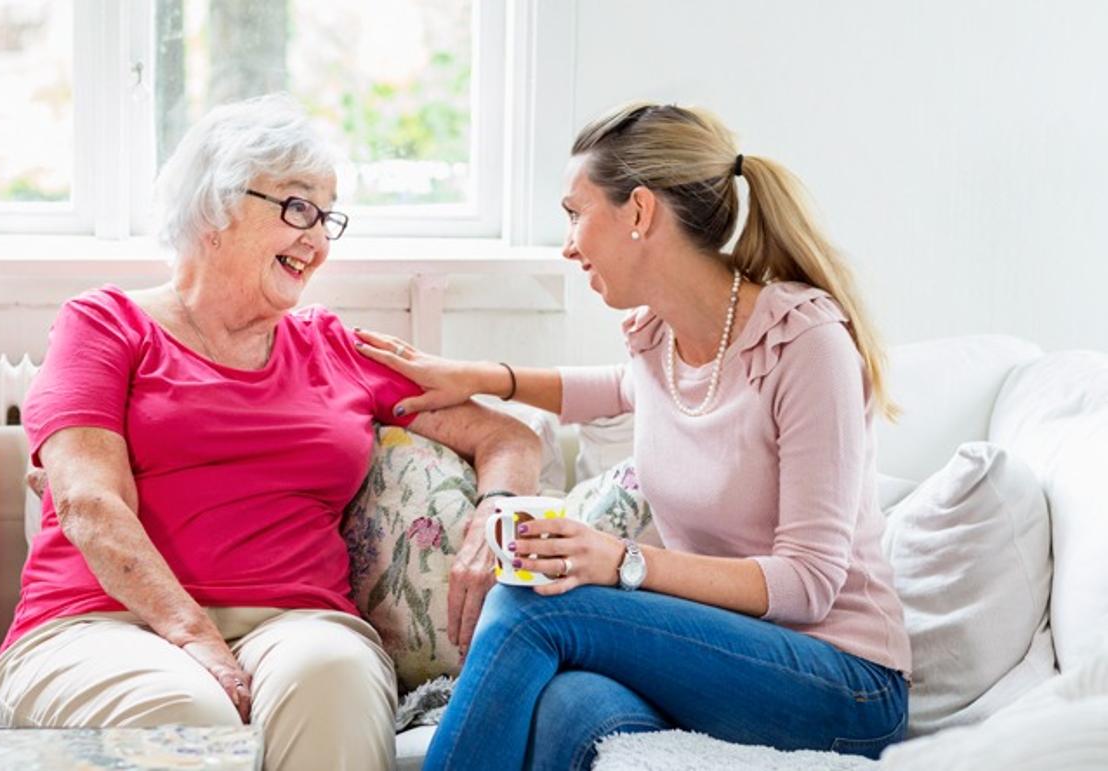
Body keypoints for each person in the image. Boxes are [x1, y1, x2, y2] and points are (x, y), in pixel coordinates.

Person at [0, 95, 541, 771]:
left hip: (298, 623)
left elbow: (509, 438)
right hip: (100, 622)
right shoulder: (105, 326)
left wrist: (496, 512)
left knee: (334, 678)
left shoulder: (335, 348)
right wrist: (192, 633)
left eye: (328, 216)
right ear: (215, 208)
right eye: (298, 207)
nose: (319, 239)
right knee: (188, 713)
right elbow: (88, 503)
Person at [355, 102, 912, 770]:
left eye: (575, 213)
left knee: (531, 601)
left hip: (842, 680)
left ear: (640, 211)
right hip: (726, 653)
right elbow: (619, 389)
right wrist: (479, 376)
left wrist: (623, 561)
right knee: (568, 705)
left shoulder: (805, 345)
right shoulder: (662, 339)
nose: (568, 244)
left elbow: (808, 583)